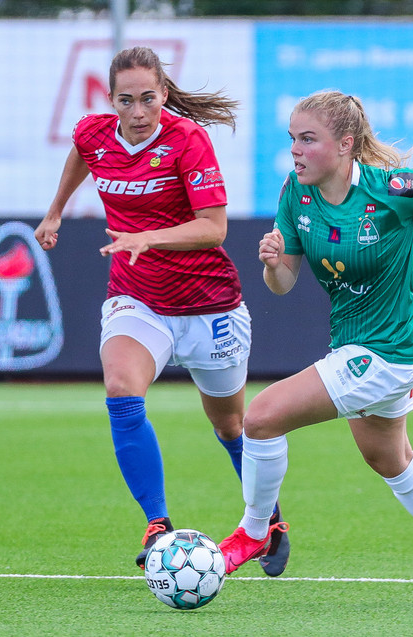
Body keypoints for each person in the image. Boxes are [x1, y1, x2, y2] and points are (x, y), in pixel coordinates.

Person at [218, 90, 413, 603]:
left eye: (308, 139)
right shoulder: (295, 192)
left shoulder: (392, 189)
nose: (295, 150)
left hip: (389, 350)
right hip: (353, 344)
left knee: (262, 418)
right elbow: (284, 283)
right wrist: (273, 263)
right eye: (292, 139)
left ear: (345, 144)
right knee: (388, 458)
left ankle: (255, 532)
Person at [34, 46, 289, 575]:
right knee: (121, 389)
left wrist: (146, 237)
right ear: (111, 100)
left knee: (230, 425)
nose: (138, 112)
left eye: (148, 99)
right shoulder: (94, 132)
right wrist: (55, 211)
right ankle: (157, 523)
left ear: (164, 94)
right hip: (139, 298)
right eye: (125, 100)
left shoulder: (187, 139)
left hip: (208, 304)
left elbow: (214, 228)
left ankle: (267, 524)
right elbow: (82, 152)